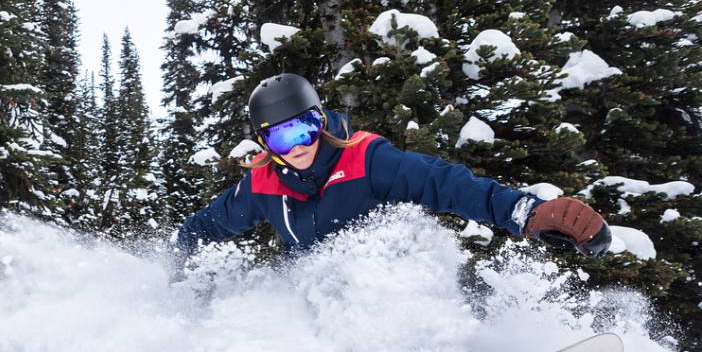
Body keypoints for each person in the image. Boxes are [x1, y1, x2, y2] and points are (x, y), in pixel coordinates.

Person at [173, 73, 610, 271]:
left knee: (400, 243)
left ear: (322, 120)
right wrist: (174, 253)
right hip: (320, 298)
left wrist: (525, 212)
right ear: (266, 143)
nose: (300, 145)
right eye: (283, 138)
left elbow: (445, 182)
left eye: (307, 127)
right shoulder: (262, 185)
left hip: (394, 280)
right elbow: (210, 223)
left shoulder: (366, 158)